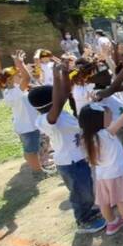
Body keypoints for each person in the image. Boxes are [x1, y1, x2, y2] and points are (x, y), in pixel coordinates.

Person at [28, 63, 106, 234]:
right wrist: (55, 78)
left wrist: (64, 75)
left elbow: (62, 95)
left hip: (78, 158)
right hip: (70, 164)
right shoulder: (46, 121)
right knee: (80, 193)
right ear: (51, 102)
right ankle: (83, 221)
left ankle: (89, 210)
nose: (61, 98)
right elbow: (57, 102)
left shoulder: (60, 112)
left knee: (86, 189)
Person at [78, 100, 123, 235]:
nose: (111, 116)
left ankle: (112, 223)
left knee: (104, 202)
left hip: (101, 176)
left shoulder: (86, 137)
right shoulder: (106, 133)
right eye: (108, 115)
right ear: (98, 120)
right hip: (115, 174)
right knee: (121, 200)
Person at [0, 50, 52, 175]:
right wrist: (19, 63)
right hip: (27, 127)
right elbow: (26, 77)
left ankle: (41, 163)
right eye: (17, 74)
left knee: (36, 147)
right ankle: (37, 171)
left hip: (31, 125)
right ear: (10, 80)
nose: (20, 74)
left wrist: (21, 66)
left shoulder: (16, 89)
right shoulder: (12, 93)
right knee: (31, 151)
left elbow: (28, 79)